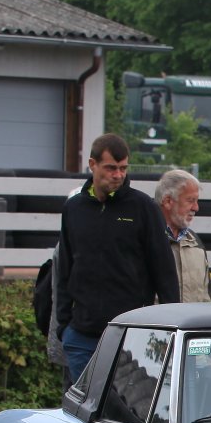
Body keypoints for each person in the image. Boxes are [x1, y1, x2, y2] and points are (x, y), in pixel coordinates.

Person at [54, 133, 179, 383]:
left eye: (123, 168)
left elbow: (164, 272)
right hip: (82, 335)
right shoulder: (74, 208)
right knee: (83, 405)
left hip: (130, 335)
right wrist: (64, 325)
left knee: (125, 404)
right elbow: (65, 268)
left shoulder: (143, 208)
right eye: (111, 168)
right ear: (93, 165)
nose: (118, 175)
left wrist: (171, 329)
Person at [156, 168, 210, 303]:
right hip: (155, 318)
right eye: (190, 200)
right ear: (168, 201)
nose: (196, 208)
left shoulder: (196, 244)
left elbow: (205, 298)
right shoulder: (144, 241)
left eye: (196, 201)